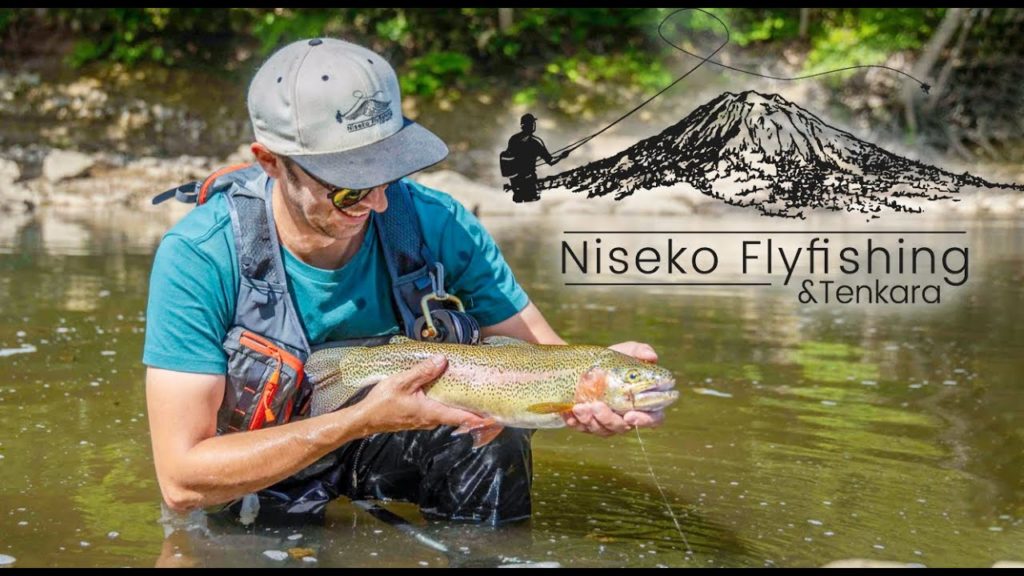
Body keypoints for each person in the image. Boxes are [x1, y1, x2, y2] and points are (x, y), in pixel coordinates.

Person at [143, 37, 663, 528]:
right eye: (349, 187)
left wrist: (596, 381)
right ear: (271, 163)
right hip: (265, 467)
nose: (377, 203)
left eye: (388, 173)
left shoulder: (438, 223)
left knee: (498, 439)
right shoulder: (200, 256)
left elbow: (543, 358)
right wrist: (358, 420)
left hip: (396, 436)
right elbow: (181, 481)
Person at [503, 113, 568, 203]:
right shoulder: (535, 143)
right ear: (532, 125)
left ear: (522, 125)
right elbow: (551, 161)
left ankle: (521, 193)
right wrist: (562, 156)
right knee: (532, 197)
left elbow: (508, 160)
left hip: (515, 181)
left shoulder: (513, 139)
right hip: (529, 180)